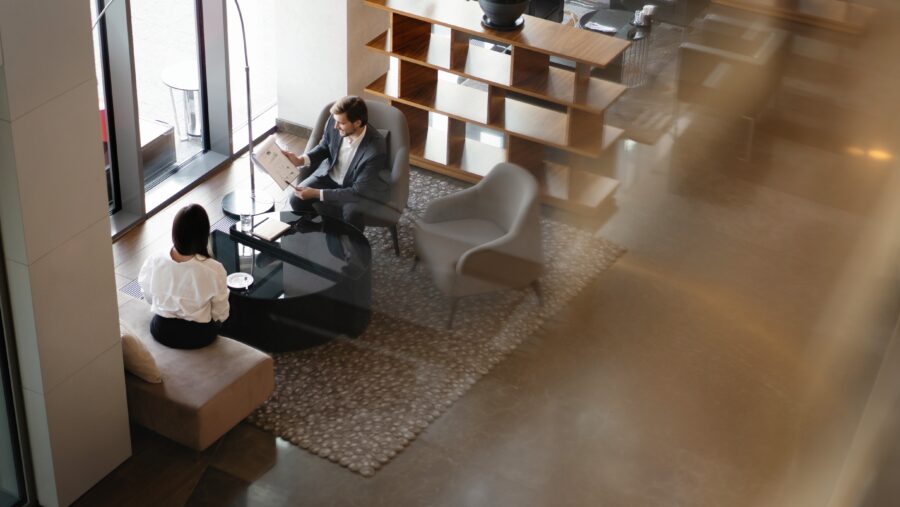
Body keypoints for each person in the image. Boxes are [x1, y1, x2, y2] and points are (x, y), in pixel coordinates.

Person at [281, 95, 389, 231]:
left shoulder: (375, 150)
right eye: (335, 121)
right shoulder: (335, 121)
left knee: (351, 215)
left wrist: (316, 193)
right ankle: (322, 229)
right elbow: (324, 147)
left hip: (354, 187)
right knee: (295, 200)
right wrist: (300, 160)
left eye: (341, 123)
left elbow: (356, 191)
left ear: (357, 123)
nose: (335, 126)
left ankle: (351, 244)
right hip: (328, 175)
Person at [138, 204, 229, 349]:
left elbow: (148, 295)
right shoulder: (214, 270)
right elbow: (221, 312)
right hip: (198, 336)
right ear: (203, 235)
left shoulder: (154, 260)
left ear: (175, 232)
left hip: (162, 330)